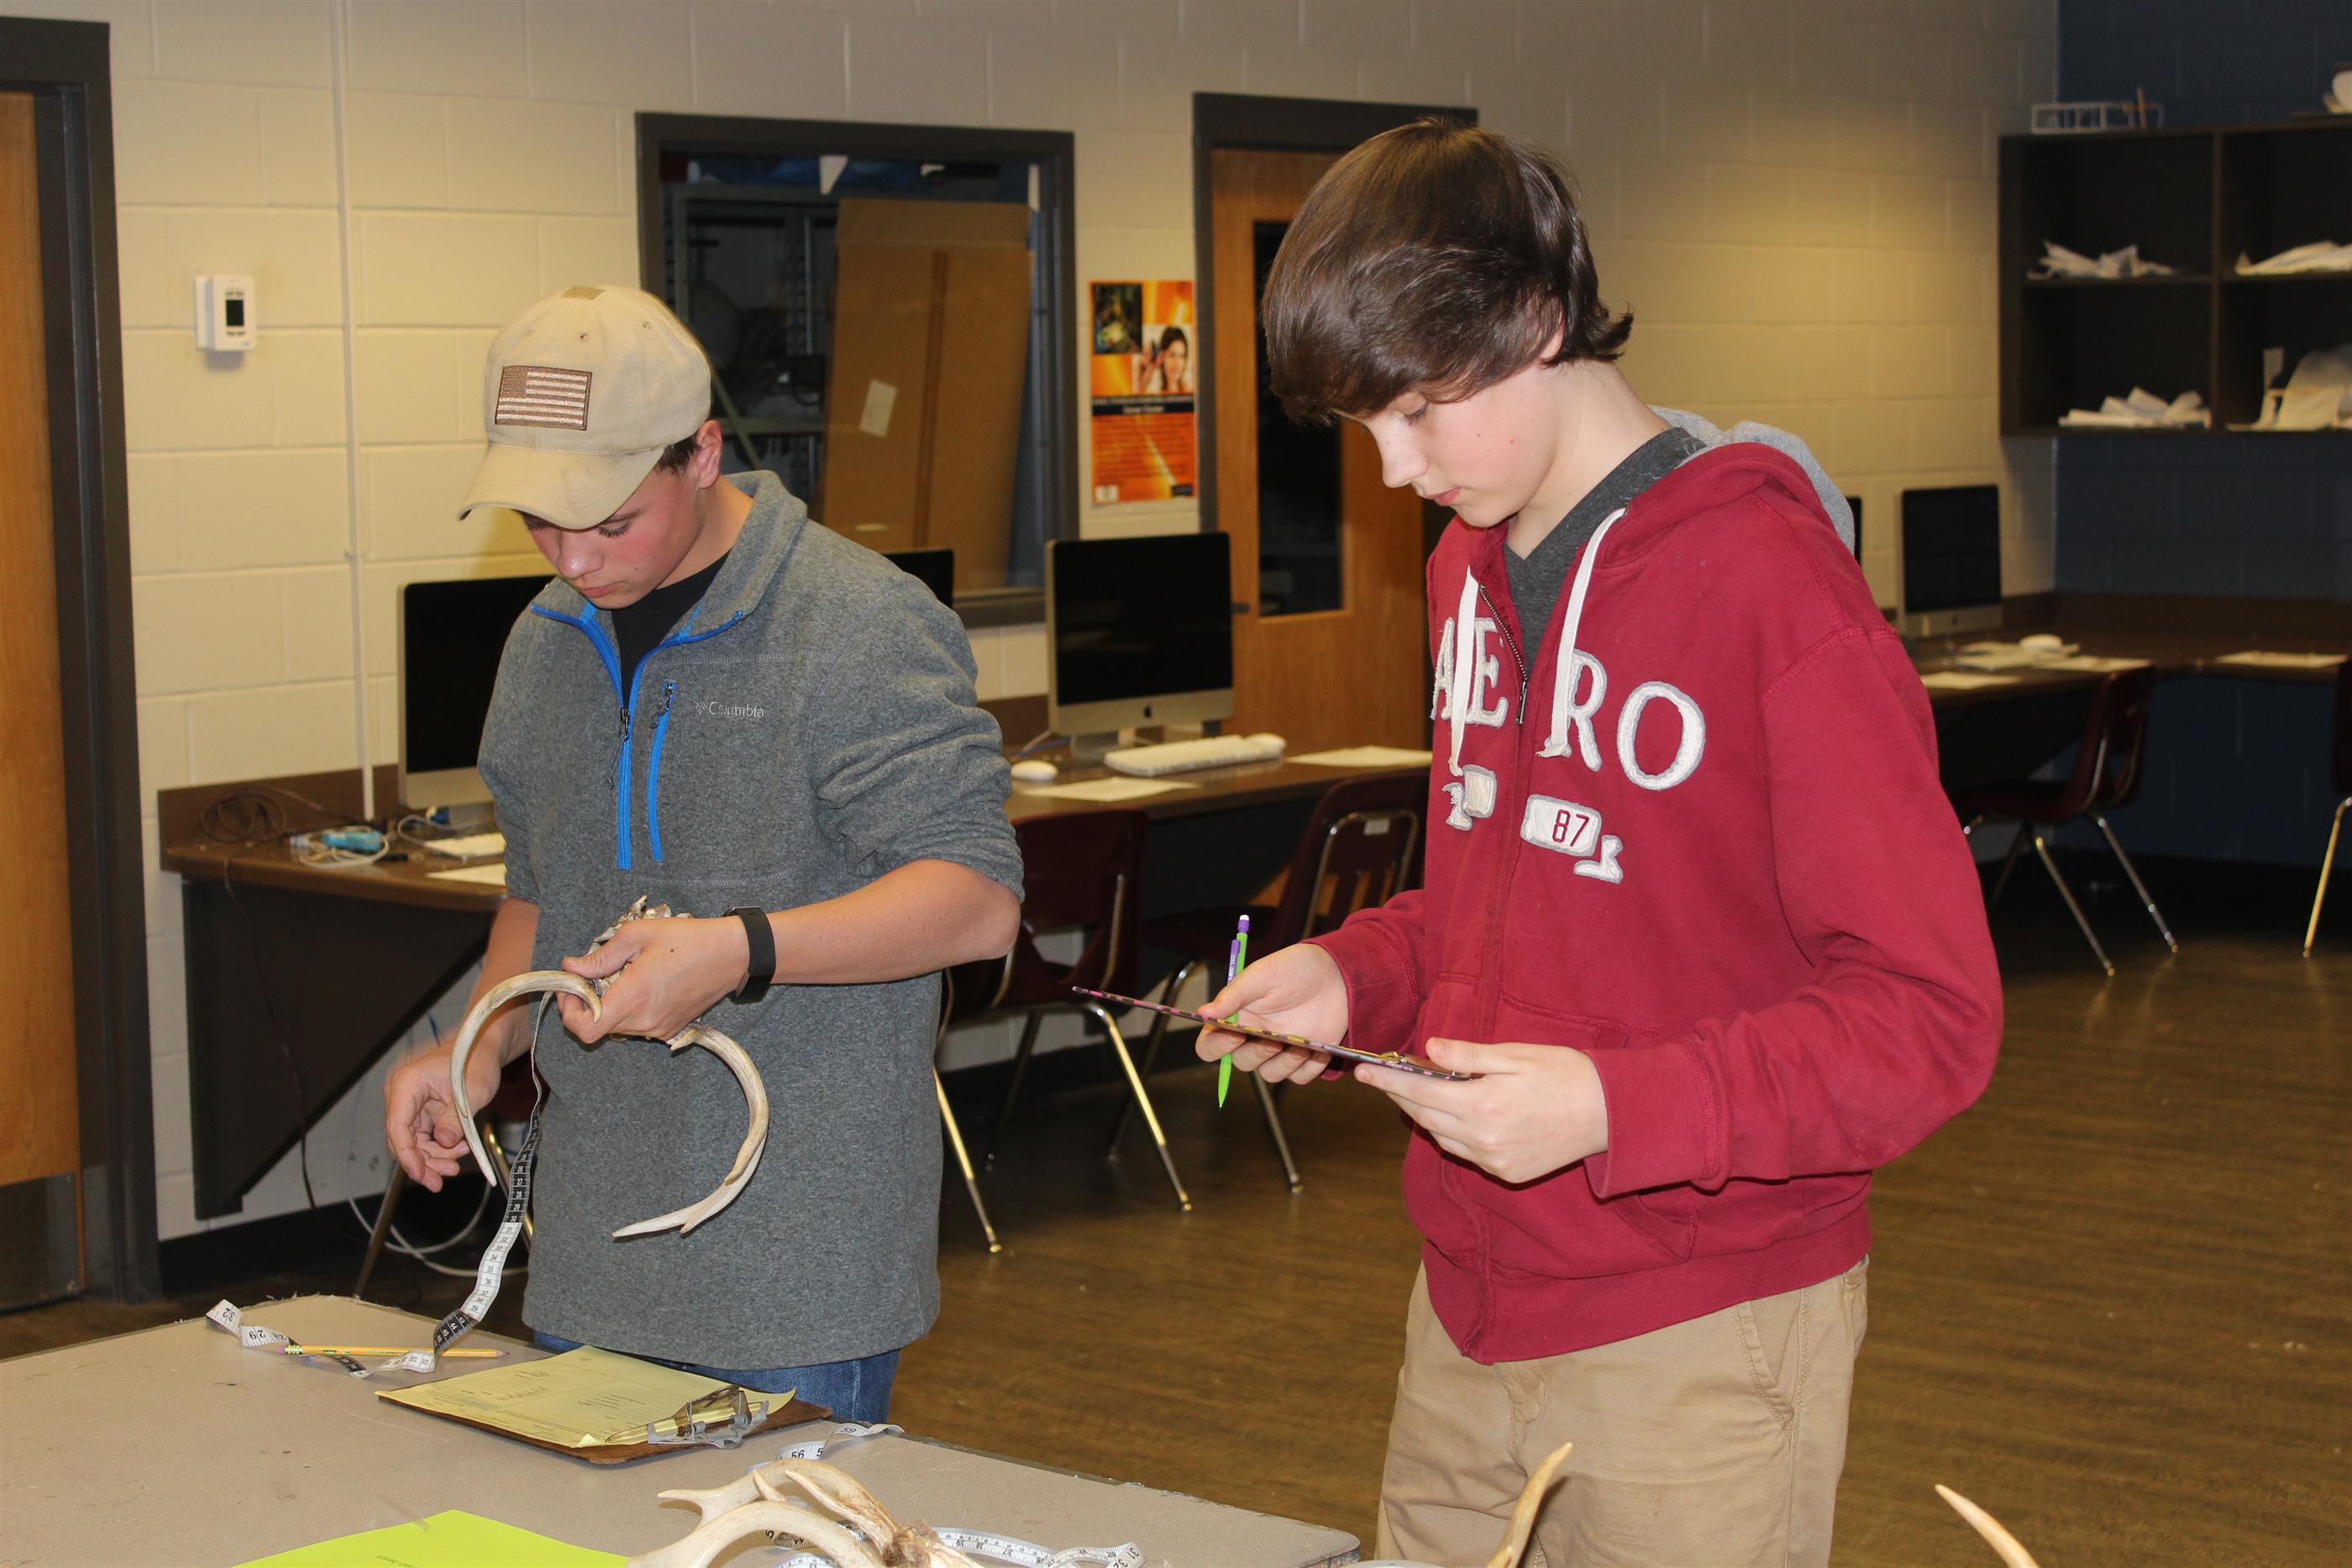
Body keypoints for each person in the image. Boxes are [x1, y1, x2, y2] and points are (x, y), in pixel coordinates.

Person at [1197, 121, 2001, 1566]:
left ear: (1536, 317)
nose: (1394, 470)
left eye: (1418, 410)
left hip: (1702, 1331)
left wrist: (1616, 1106)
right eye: (1364, 427)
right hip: (1467, 1309)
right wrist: (1357, 973)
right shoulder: (1468, 568)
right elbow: (1522, 899)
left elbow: (1930, 1015)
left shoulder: (1769, 583)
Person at [382, 285, 1022, 1423]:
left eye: (611, 520)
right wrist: (482, 1039)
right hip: (590, 1252)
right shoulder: (543, 641)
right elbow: (540, 888)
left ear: (704, 454)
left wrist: (737, 950)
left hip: (797, 1276)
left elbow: (975, 901)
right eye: (541, 522)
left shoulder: (856, 623)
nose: (574, 556)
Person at [1142, 325, 1191, 395]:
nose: (1177, 363)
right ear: (1162, 356)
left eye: (1181, 356)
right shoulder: (1155, 394)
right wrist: (1150, 369)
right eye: (1172, 355)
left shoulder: (1190, 393)